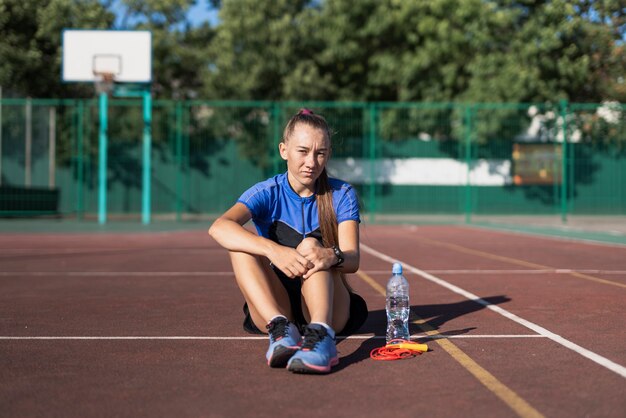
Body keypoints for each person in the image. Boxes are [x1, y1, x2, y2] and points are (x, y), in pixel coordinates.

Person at [208, 109, 368, 374]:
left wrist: (331, 255)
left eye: (320, 153)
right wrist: (273, 250)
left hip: (330, 308)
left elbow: (353, 259)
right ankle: (281, 331)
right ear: (284, 150)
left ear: (327, 154)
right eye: (302, 151)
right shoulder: (267, 192)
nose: (311, 162)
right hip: (276, 304)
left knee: (309, 247)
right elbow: (219, 228)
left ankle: (321, 337)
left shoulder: (342, 193)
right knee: (239, 245)